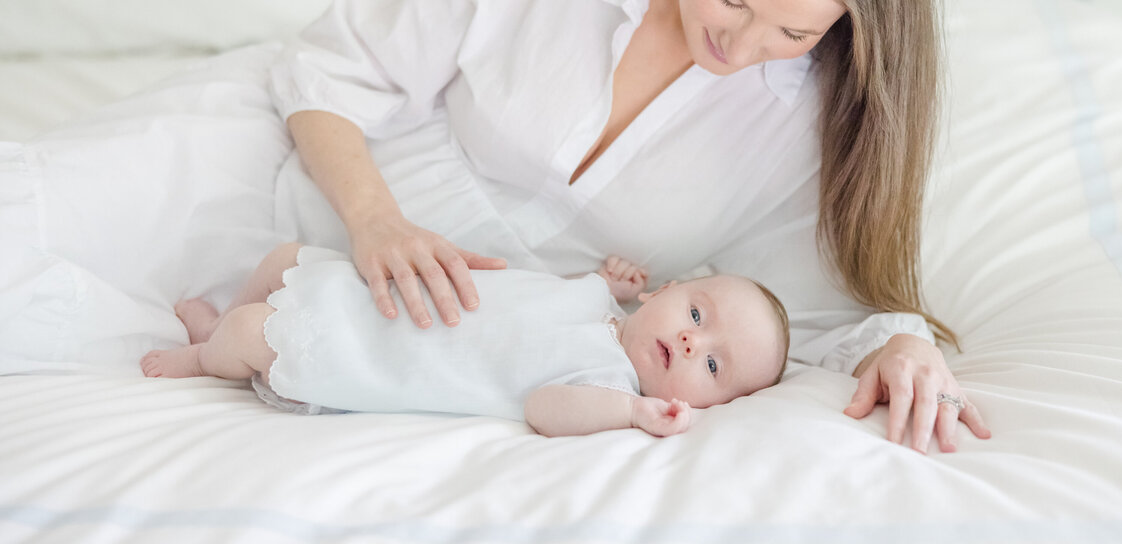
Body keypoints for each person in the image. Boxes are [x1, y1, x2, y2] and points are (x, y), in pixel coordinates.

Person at [267, 0, 989, 454]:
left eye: (793, 31)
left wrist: (901, 347)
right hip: (320, 203)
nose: (737, 50)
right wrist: (374, 221)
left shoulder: (807, 119)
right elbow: (332, 66)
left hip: (467, 355)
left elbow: (809, 307)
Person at [141, 247, 790, 437]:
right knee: (286, 260)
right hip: (385, 304)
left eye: (711, 362)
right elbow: (539, 298)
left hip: (372, 355)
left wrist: (633, 413)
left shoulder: (608, 386)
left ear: (708, 404)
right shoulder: (595, 301)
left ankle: (205, 354)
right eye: (697, 312)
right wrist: (605, 281)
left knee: (251, 334)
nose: (687, 337)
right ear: (660, 292)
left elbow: (545, 407)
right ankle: (223, 323)